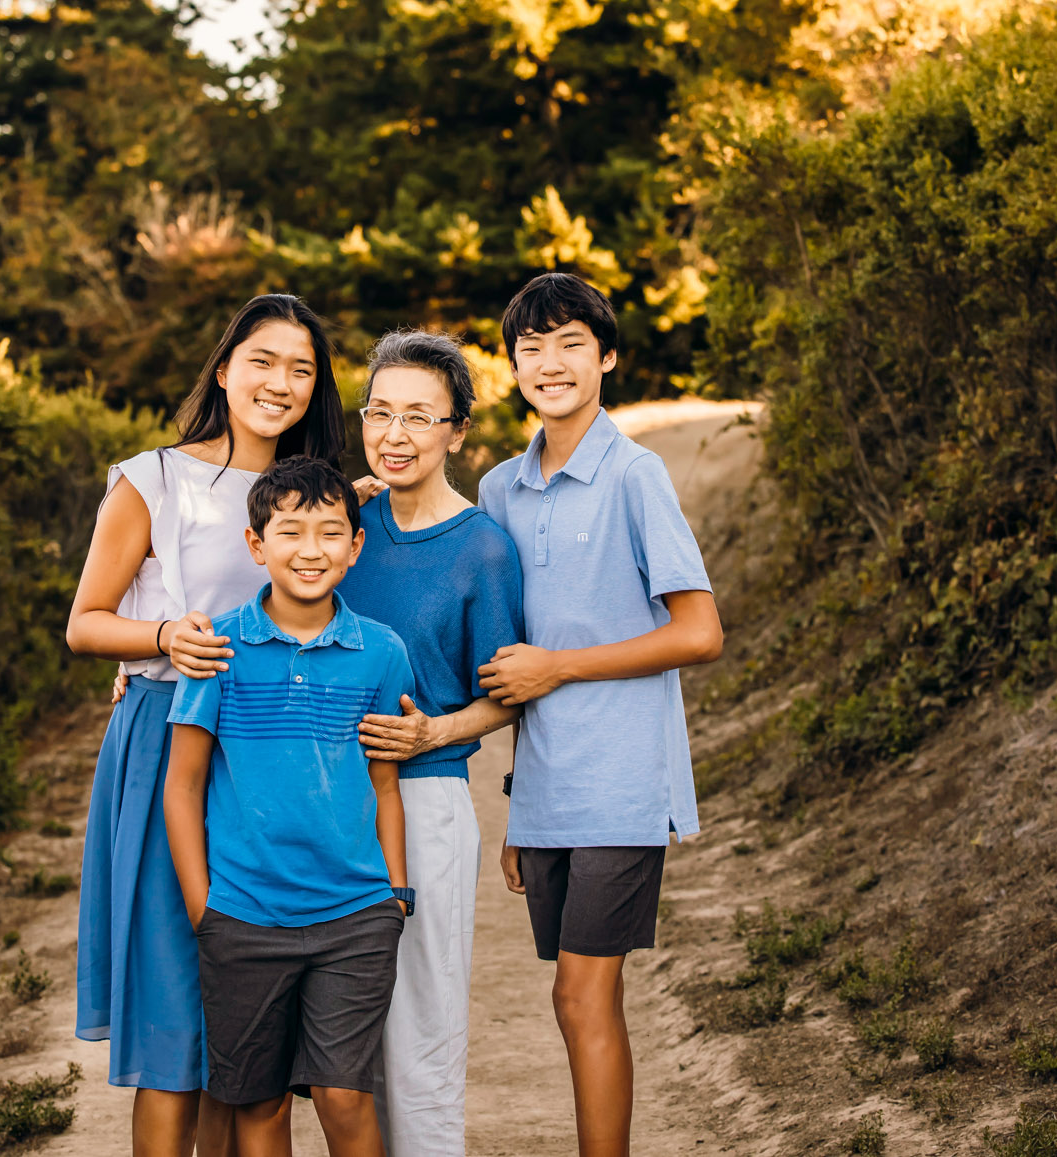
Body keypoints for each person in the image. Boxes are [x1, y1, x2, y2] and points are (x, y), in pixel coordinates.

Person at [66, 295, 348, 1157]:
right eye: (263, 360)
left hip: (273, 749)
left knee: (250, 1012)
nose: (281, 383)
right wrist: (161, 638)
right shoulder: (152, 478)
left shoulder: (320, 490)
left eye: (302, 369)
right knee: (174, 1011)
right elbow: (85, 621)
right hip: (167, 745)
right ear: (224, 368)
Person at [476, 273, 724, 1157]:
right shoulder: (498, 488)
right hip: (549, 788)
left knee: (584, 995)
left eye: (570, 342)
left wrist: (563, 665)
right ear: (511, 366)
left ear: (608, 356)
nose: (551, 362)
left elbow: (701, 631)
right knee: (567, 995)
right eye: (531, 347)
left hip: (622, 779)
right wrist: (516, 804)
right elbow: (510, 664)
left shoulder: (635, 473)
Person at [164, 457, 415, 1157]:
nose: (312, 550)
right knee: (261, 1105)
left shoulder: (381, 652)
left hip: (355, 917)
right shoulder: (218, 647)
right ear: (256, 544)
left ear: (356, 545)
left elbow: (385, 782)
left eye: (331, 532)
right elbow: (182, 784)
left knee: (343, 1095)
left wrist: (393, 896)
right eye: (291, 532)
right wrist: (202, 904)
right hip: (243, 917)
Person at [336, 330, 524, 1157]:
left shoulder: (482, 547)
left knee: (421, 1031)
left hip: (427, 803)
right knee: (344, 1046)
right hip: (329, 803)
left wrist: (432, 731)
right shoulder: (342, 528)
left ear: (457, 430)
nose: (396, 433)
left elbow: (506, 694)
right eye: (381, 412)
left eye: (420, 416)